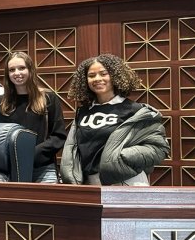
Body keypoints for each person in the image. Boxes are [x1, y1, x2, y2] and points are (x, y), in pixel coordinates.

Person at [61, 54, 168, 186]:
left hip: (126, 180)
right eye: (91, 75)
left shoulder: (134, 110)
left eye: (103, 74)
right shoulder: (82, 112)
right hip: (91, 182)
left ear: (115, 76)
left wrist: (123, 157)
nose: (97, 79)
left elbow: (158, 148)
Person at [0, 51, 67, 183]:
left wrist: (30, 155)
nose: (17, 73)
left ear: (30, 70)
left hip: (42, 168)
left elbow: (58, 136)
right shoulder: (0, 102)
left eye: (22, 68)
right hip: (9, 168)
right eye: (12, 70)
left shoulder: (48, 98)